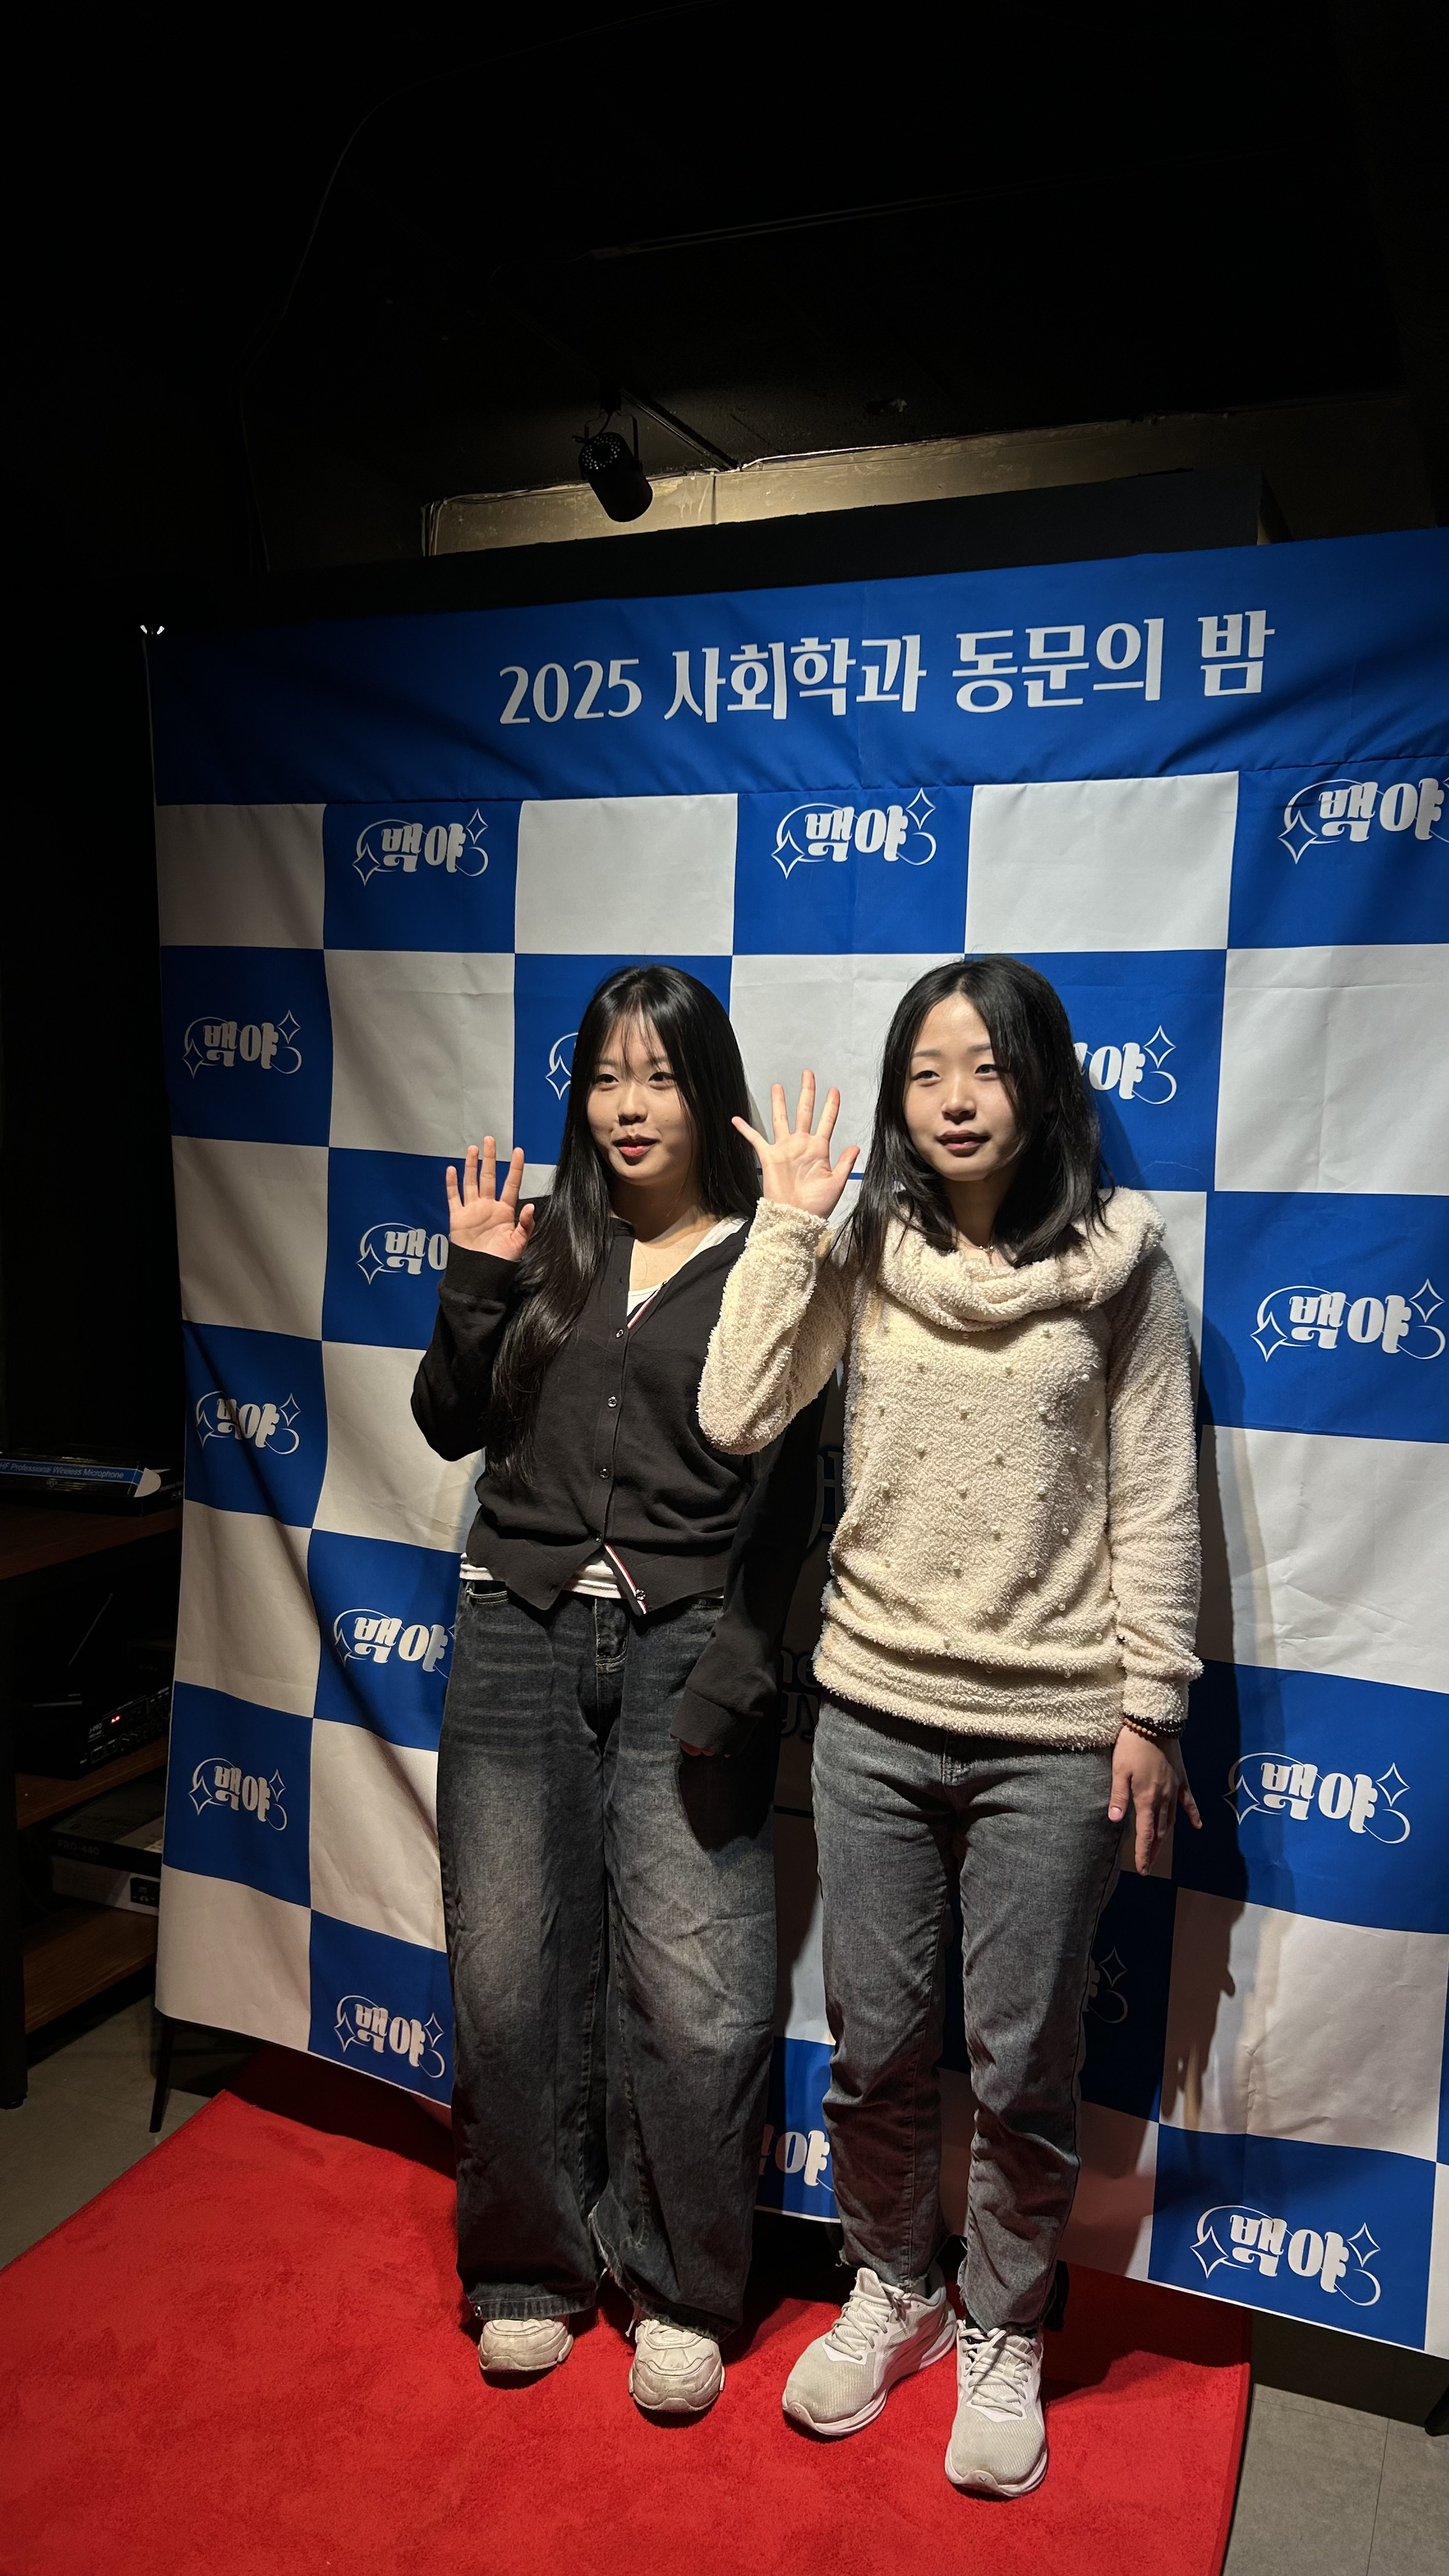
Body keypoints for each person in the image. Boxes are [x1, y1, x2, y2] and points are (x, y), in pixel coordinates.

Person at [698, 955, 1202, 2497]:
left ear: (1042, 1084)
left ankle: (1005, 2322)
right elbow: (734, 1412)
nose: (957, 1098)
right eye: (927, 1072)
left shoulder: (1121, 1262)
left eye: (987, 1067)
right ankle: (893, 2287)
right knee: (877, 2048)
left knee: (1024, 2063)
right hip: (870, 1711)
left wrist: (1152, 1704)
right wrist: (788, 1225)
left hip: (1056, 1731)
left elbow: (1156, 1492)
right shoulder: (866, 1243)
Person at [412, 963, 824, 2418]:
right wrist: (475, 1276)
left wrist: (743, 1664)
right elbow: (449, 1423)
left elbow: (796, 1492)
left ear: (707, 1090)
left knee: (700, 1988)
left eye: (655, 1075)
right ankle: (528, 2267)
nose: (626, 1106)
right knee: (509, 1968)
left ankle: (682, 2285)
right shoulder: (546, 1245)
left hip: (687, 1644)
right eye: (603, 1076)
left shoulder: (769, 1257)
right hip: (514, 1633)